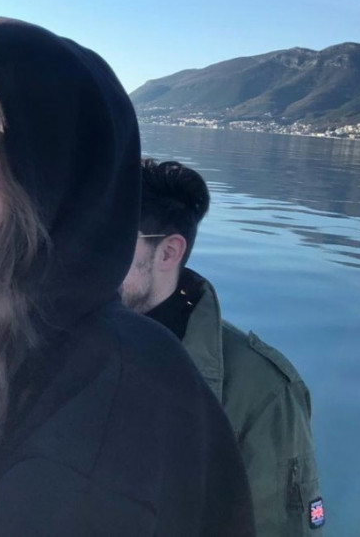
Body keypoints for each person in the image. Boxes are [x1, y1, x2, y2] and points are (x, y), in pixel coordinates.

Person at [121, 158, 325, 535]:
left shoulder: (262, 392)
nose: (91, 254)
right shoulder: (62, 340)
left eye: (114, 239)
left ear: (168, 252)